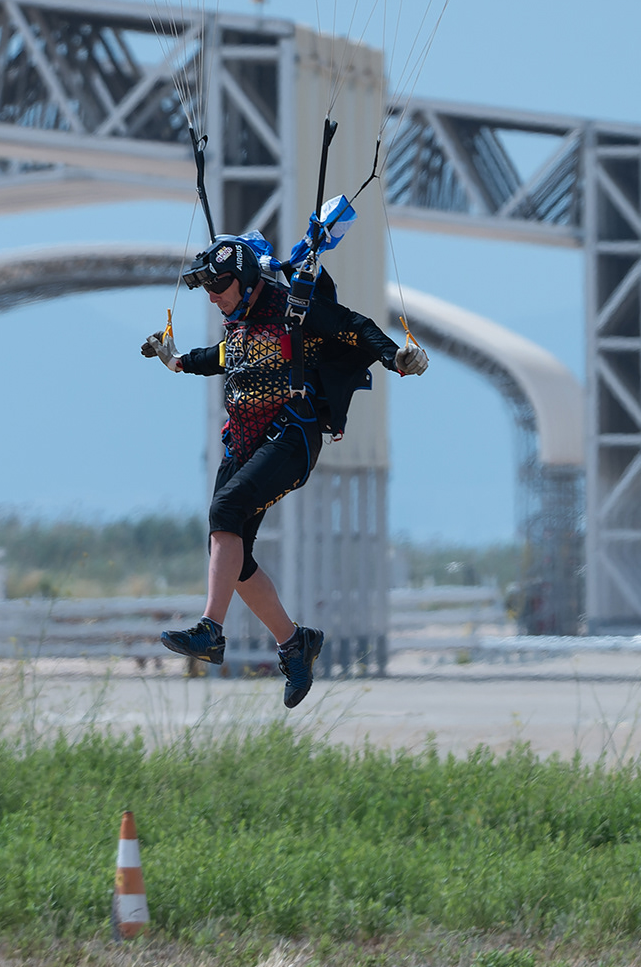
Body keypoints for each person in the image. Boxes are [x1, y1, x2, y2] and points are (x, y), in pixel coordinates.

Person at [140, 234, 428, 707]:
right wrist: (175, 361)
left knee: (226, 510)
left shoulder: (293, 307)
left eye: (219, 286)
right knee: (229, 551)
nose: (212, 297)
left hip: (290, 436)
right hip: (243, 441)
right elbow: (223, 357)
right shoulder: (238, 322)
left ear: (244, 279)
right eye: (207, 288)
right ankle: (296, 644)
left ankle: (211, 630)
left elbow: (353, 326)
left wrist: (394, 357)